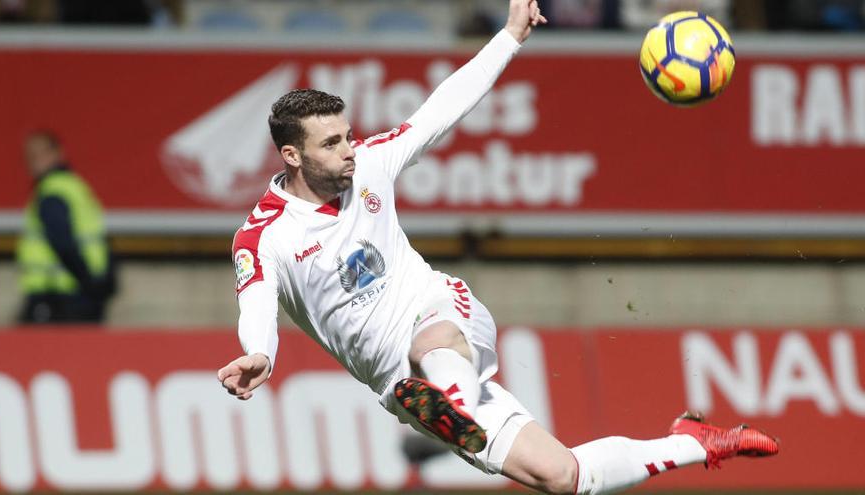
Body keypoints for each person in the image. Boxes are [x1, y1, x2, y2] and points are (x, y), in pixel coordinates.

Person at [217, 1, 778, 493]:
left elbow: (444, 107)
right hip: (397, 381)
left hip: (440, 314)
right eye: (332, 142)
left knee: (433, 346)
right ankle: (694, 443)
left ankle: (450, 405)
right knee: (563, 477)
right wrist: (260, 353)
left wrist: (510, 35)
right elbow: (258, 303)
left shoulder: (370, 163)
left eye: (348, 134)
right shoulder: (265, 236)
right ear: (291, 156)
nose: (349, 150)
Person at [17, 130, 115, 323]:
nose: (35, 161)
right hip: (79, 291)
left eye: (41, 154)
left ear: (57, 153)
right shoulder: (75, 186)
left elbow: (63, 242)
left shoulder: (53, 192)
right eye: (30, 156)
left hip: (57, 293)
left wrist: (88, 281)